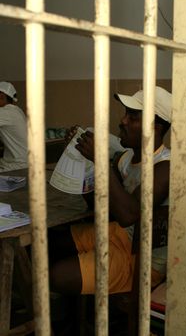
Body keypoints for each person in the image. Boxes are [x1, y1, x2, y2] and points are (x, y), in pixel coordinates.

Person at [49, 85, 172, 296]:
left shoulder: (166, 166)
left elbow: (128, 215)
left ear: (156, 128)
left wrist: (100, 162)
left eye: (133, 117)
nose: (123, 121)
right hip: (120, 235)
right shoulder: (125, 160)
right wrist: (81, 157)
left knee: (58, 275)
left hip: (142, 259)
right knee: (50, 242)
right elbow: (101, 207)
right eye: (126, 114)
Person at [0, 81, 28, 172]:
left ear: (1, 97)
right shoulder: (17, 111)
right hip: (23, 163)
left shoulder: (6, 112)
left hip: (16, 166)